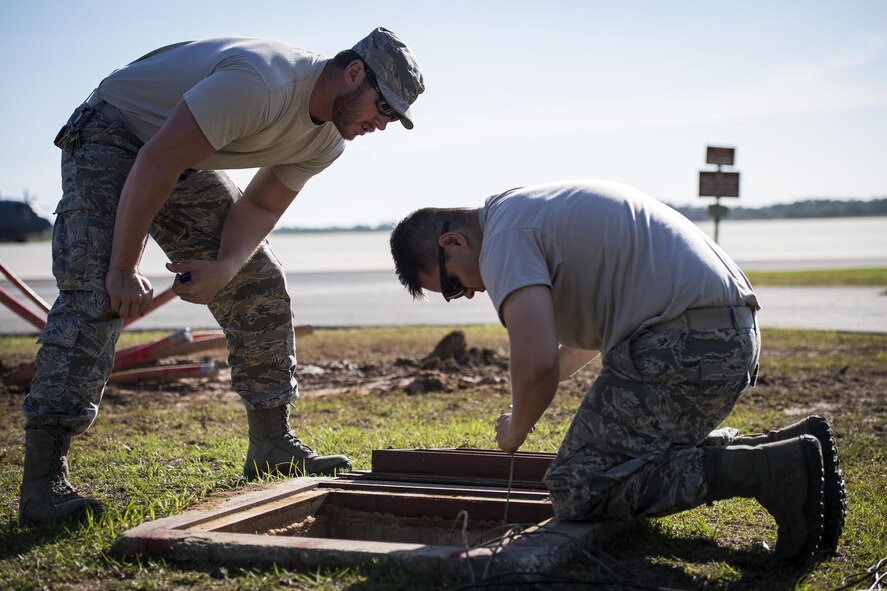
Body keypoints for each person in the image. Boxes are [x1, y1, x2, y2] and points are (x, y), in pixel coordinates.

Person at [20, 27, 425, 526]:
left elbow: (260, 204)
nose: (381, 125)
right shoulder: (263, 83)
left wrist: (225, 269)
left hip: (179, 156)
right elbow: (157, 158)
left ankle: (271, 443)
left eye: (393, 118)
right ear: (355, 72)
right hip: (116, 131)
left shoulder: (328, 140)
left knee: (259, 283)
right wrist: (123, 269)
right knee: (98, 291)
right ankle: (43, 484)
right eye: (382, 108)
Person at [389, 179, 845, 562]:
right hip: (722, 332)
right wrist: (541, 381)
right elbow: (578, 344)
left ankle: (773, 470)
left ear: (453, 242)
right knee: (624, 455)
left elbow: (537, 361)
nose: (466, 293)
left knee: (577, 487)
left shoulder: (503, 240)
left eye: (451, 285)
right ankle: (783, 452)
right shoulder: (521, 210)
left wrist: (515, 430)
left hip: (685, 343)